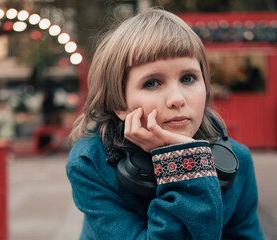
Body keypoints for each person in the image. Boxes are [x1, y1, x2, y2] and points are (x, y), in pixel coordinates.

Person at [65, 8, 263, 240]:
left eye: (188, 78)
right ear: (119, 103)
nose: (177, 98)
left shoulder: (237, 160)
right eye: (152, 83)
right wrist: (186, 164)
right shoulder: (91, 164)